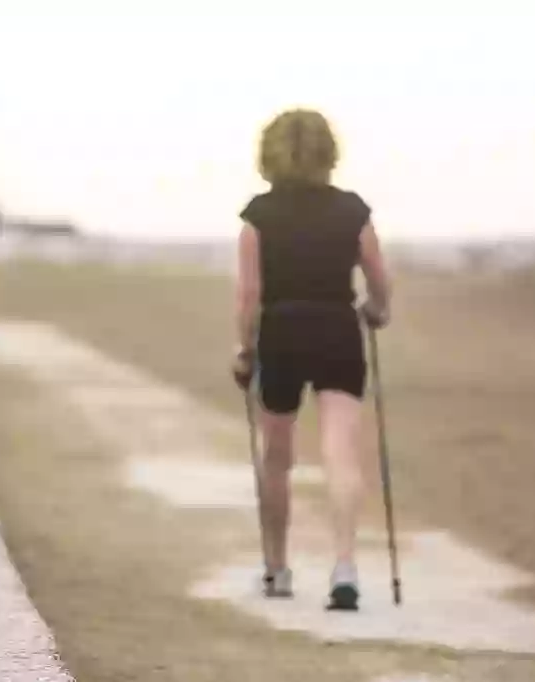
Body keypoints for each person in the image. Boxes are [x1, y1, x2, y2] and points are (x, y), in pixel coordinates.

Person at [231, 108, 391, 611]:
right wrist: (377, 311)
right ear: (329, 151)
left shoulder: (257, 214)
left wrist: (245, 349)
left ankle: (277, 568)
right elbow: (379, 277)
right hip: (337, 329)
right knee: (340, 452)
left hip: (280, 331)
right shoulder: (353, 210)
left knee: (276, 458)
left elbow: (249, 295)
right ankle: (344, 568)